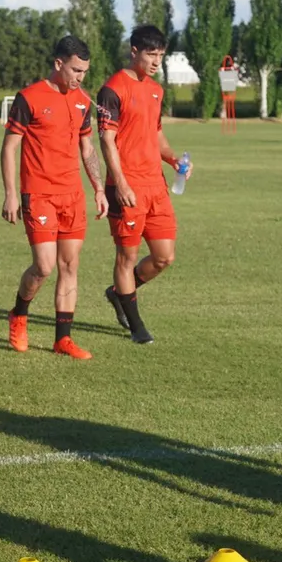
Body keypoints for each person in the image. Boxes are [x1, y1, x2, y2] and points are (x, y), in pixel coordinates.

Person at [1, 35, 108, 359]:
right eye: (75, 70)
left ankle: (63, 339)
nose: (80, 77)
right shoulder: (29, 97)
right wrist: (10, 194)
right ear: (58, 63)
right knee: (44, 266)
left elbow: (87, 148)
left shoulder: (81, 101)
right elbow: (9, 147)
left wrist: (99, 188)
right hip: (39, 194)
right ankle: (19, 314)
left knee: (70, 265)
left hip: (72, 196)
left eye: (85, 72)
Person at [98, 25, 191, 344]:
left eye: (161, 56)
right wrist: (120, 183)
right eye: (151, 54)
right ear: (133, 50)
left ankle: (119, 294)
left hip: (157, 186)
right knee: (126, 257)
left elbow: (156, 133)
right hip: (127, 188)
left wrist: (174, 160)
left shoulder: (155, 90)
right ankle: (137, 328)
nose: (156, 61)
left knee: (165, 257)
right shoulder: (113, 88)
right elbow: (107, 140)